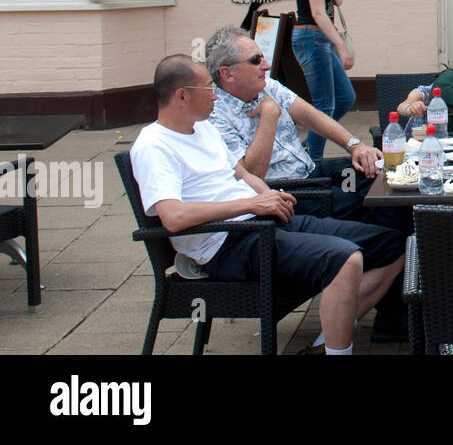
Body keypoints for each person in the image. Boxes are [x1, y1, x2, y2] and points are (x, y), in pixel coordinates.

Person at [130, 55, 404, 356]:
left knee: (395, 244)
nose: (215, 96)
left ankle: (327, 341)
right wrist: (252, 203)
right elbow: (173, 217)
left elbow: (240, 173)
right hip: (226, 245)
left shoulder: (202, 128)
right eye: (209, 88)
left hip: (260, 223)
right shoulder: (154, 146)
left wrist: (268, 195)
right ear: (182, 96)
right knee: (346, 259)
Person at [204, 25, 382, 223]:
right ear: (227, 74)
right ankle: (392, 249)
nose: (266, 65)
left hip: (310, 171)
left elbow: (311, 116)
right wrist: (269, 115)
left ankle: (406, 246)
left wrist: (354, 145)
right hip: (285, 192)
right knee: (364, 201)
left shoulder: (265, 85)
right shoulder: (214, 115)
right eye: (256, 60)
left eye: (262, 57)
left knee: (378, 174)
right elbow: (253, 176)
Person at [291, 0, 356, 161]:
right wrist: (341, 45)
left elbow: (316, 3)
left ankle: (311, 142)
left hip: (315, 38)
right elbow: (317, 12)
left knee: (345, 97)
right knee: (325, 104)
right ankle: (312, 160)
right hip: (312, 38)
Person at [396, 69, 453, 135]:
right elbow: (401, 107)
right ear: (429, 97)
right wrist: (410, 109)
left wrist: (452, 138)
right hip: (420, 142)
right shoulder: (422, 94)